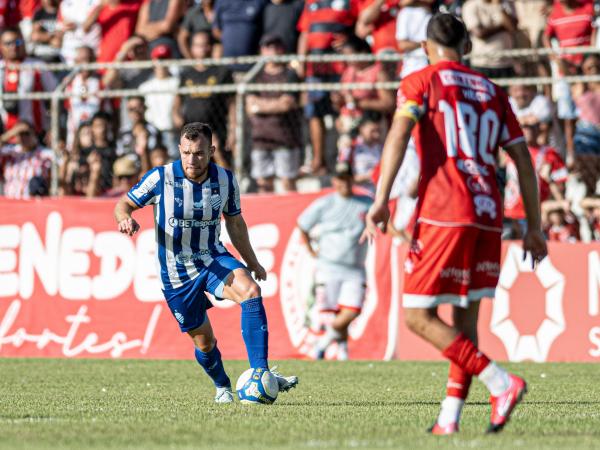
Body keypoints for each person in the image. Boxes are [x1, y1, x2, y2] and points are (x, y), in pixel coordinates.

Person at [363, 13, 547, 434]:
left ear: (426, 48)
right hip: (487, 214)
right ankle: (449, 419)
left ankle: (501, 382)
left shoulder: (421, 82)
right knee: (465, 321)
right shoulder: (494, 92)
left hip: (444, 209)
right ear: (467, 48)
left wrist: (381, 200)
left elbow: (398, 135)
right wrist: (534, 227)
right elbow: (522, 158)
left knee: (416, 316)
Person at [114, 122, 298, 403]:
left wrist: (252, 262)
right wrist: (125, 218)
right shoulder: (160, 178)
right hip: (176, 273)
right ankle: (223, 385)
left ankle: (261, 374)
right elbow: (123, 204)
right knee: (204, 341)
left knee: (251, 293)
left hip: (212, 258)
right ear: (179, 149)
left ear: (211, 151)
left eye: (199, 153)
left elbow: (235, 223)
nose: (192, 159)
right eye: (186, 152)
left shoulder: (225, 179)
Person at [297, 161, 373, 360]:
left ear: (352, 179)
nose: (344, 183)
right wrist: (311, 251)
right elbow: (303, 224)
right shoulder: (325, 203)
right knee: (333, 313)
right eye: (340, 179)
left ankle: (323, 343)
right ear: (334, 181)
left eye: (347, 179)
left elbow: (382, 219)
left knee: (352, 310)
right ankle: (343, 352)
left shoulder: (366, 202)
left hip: (355, 267)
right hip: (329, 266)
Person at [247, 34, 302, 193]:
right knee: (264, 184)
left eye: (276, 47)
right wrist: (275, 104)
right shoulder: (255, 75)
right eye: (268, 47)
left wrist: (260, 105)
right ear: (262, 51)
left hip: (285, 138)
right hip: (261, 138)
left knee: (288, 183)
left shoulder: (290, 75)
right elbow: (250, 106)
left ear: (282, 50)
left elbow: (286, 104)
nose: (273, 51)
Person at [173, 31, 234, 168]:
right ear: (192, 48)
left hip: (217, 129)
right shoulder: (187, 74)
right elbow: (177, 100)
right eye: (197, 45)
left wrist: (233, 129)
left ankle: (227, 187)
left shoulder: (221, 72)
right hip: (191, 131)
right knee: (192, 165)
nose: (201, 49)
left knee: (220, 162)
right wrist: (176, 115)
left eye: (204, 45)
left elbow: (232, 104)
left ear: (210, 47)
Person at [0, 27, 57, 136]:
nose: (14, 47)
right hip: (5, 136)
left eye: (17, 42)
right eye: (8, 43)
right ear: (1, 46)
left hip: (35, 133)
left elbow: (54, 96)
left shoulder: (37, 66)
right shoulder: (1, 68)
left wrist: (52, 128)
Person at [461, 0, 518, 78]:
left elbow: (513, 27)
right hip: (483, 64)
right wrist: (503, 27)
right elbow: (479, 33)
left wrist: (499, 7)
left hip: (506, 63)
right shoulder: (470, 5)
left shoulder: (505, 3)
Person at [0, 121, 53, 198]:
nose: (24, 137)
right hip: (10, 203)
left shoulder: (43, 153)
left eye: (27, 134)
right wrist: (12, 132)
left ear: (34, 135)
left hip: (31, 204)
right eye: (20, 134)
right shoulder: (11, 152)